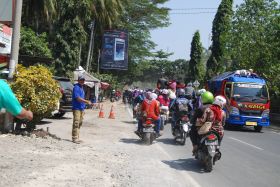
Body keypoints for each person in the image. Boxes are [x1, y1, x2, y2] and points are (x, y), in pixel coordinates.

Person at [72, 75, 92, 144]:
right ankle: (74, 138)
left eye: (83, 80)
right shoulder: (76, 87)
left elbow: (82, 98)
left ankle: (77, 137)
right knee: (76, 122)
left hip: (81, 108)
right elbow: (77, 98)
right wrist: (86, 101)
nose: (82, 81)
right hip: (76, 108)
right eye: (81, 80)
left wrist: (85, 104)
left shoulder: (82, 88)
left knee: (80, 123)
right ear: (78, 80)